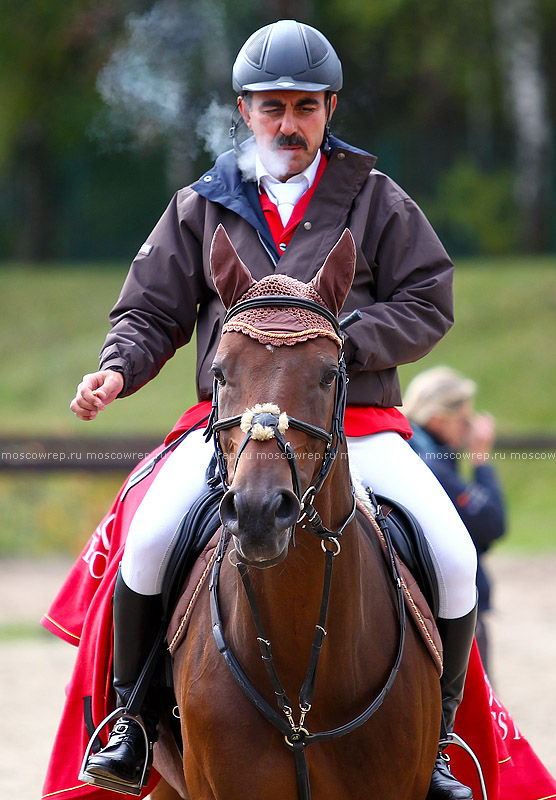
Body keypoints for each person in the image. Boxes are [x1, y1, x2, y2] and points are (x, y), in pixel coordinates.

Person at [72, 20, 478, 799]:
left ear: (329, 109)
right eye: (271, 107)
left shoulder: (378, 200)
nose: (287, 123)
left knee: (454, 556)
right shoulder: (201, 205)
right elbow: (151, 311)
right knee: (150, 540)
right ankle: (128, 720)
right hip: (231, 429)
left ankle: (436, 745)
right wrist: (117, 371)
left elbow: (429, 298)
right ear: (243, 111)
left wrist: (343, 346)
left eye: (303, 106)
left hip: (354, 421)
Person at [403, 366, 507, 673]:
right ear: (438, 417)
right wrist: (481, 458)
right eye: (464, 420)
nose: (469, 430)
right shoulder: (428, 460)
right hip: (447, 613)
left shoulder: (416, 447)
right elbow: (491, 522)